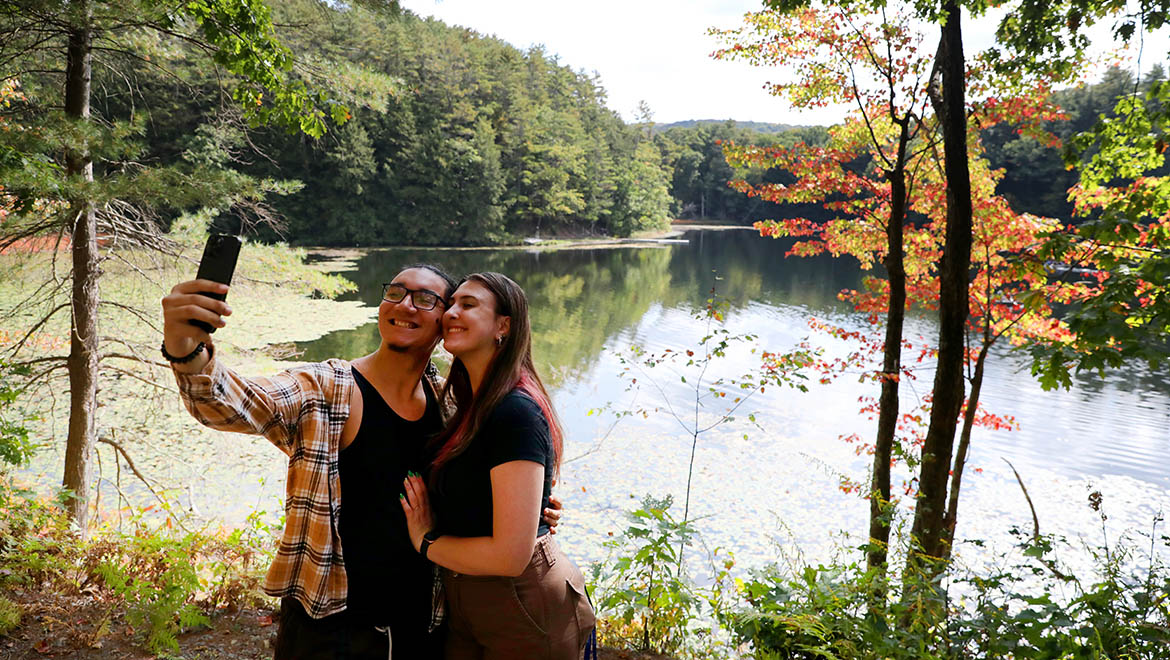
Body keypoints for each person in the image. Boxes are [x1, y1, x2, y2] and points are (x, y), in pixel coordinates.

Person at [161, 264, 560, 660]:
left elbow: (488, 485)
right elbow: (225, 403)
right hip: (331, 628)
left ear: (446, 321)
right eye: (395, 292)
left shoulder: (449, 403)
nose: (405, 305)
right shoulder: (325, 389)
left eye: (425, 299)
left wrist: (536, 515)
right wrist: (186, 346)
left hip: (423, 624)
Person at [400, 272, 595, 660]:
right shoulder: (469, 404)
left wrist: (425, 540)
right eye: (451, 304)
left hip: (522, 602)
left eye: (468, 305)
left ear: (503, 326)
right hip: (467, 600)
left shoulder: (514, 410)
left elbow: (510, 556)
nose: (450, 313)